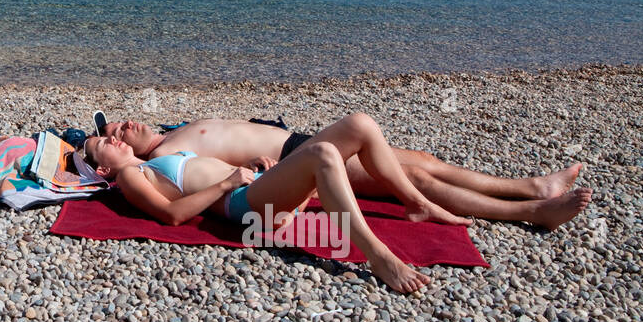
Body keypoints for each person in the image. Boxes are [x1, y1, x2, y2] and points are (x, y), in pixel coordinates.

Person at [85, 116, 468, 293]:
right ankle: (378, 255)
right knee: (323, 155)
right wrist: (228, 182)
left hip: (253, 184)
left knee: (360, 125)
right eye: (105, 142)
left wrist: (249, 167)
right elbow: (172, 216)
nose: (114, 139)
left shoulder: (153, 158)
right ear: (103, 168)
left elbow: (202, 171)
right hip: (243, 203)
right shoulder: (129, 178)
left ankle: (415, 202)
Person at [99, 117, 590, 230]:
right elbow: (198, 188)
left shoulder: (172, 132)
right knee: (415, 179)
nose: (127, 127)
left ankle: (529, 187)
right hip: (298, 156)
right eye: (118, 132)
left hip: (297, 142)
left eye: (123, 122)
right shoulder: (161, 161)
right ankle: (529, 209)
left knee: (422, 161)